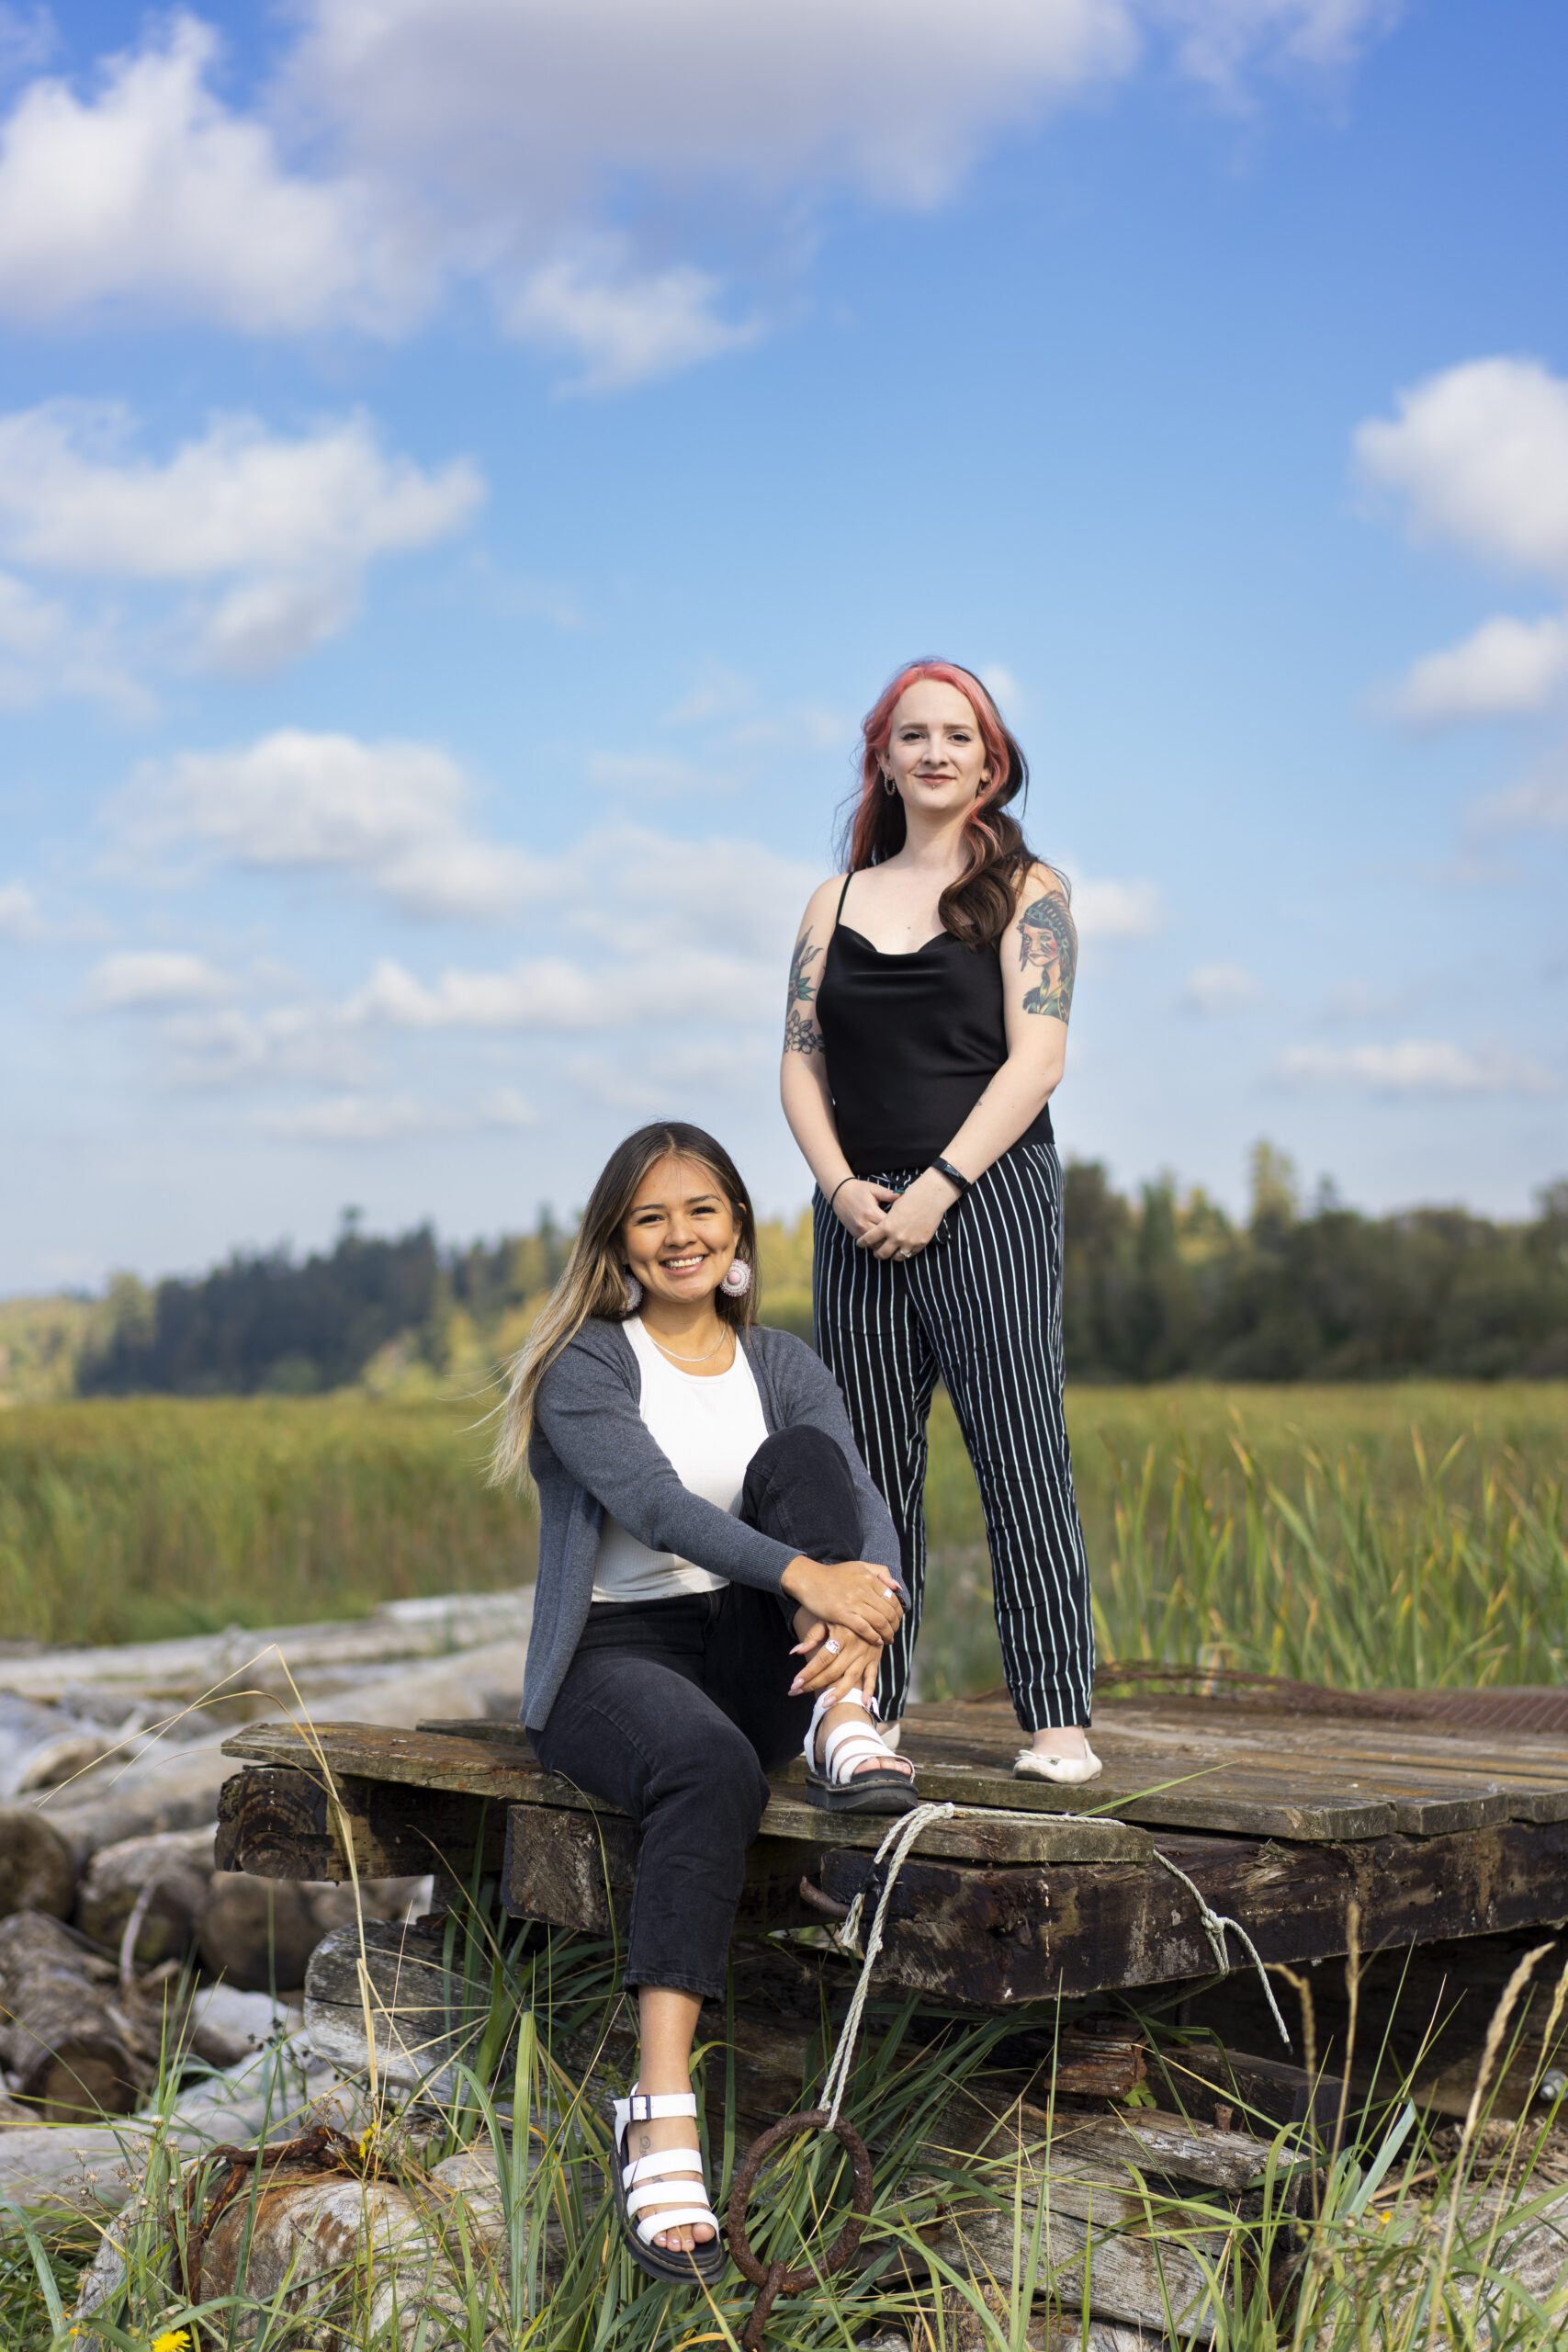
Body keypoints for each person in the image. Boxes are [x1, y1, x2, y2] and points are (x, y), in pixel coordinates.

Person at [491, 1121, 915, 2286]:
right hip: (614, 1660)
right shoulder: (587, 1365)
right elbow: (661, 1507)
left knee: (809, 1467)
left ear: (736, 1228)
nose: (679, 1235)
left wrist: (871, 1601)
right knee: (709, 1764)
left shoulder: (781, 1361)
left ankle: (843, 1715)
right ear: (618, 1240)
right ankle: (660, 2103)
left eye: (701, 1210)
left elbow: (860, 1504)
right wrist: (811, 1578)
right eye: (651, 1216)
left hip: (760, 1651)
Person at [779, 658, 1100, 1787]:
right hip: (856, 1211)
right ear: (883, 757)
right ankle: (870, 1709)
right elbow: (800, 1064)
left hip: (989, 1195)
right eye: (912, 734)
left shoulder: (1028, 890)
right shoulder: (833, 904)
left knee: (1020, 1449)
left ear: (989, 761)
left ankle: (1056, 1721)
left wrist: (942, 1183)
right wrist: (840, 1188)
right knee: (867, 1473)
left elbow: (1039, 1059)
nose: (934, 752)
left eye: (958, 736)